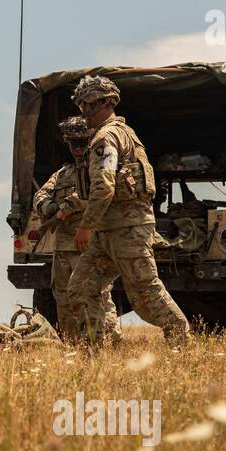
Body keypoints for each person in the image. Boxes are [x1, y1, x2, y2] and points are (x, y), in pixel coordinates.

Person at [65, 76, 190, 344]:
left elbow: (103, 186)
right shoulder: (124, 134)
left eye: (84, 105)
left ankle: (181, 341)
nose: (82, 112)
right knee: (81, 288)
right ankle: (95, 349)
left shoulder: (106, 137)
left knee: (146, 295)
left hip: (127, 230)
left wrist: (85, 226)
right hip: (109, 230)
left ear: (99, 102)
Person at [32, 116, 120, 341]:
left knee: (96, 296)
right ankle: (73, 345)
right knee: (63, 297)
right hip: (63, 248)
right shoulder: (63, 173)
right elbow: (40, 195)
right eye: (73, 143)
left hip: (90, 245)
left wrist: (63, 210)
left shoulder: (100, 166)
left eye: (83, 142)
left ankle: (109, 343)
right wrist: (49, 208)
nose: (78, 148)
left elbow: (94, 195)